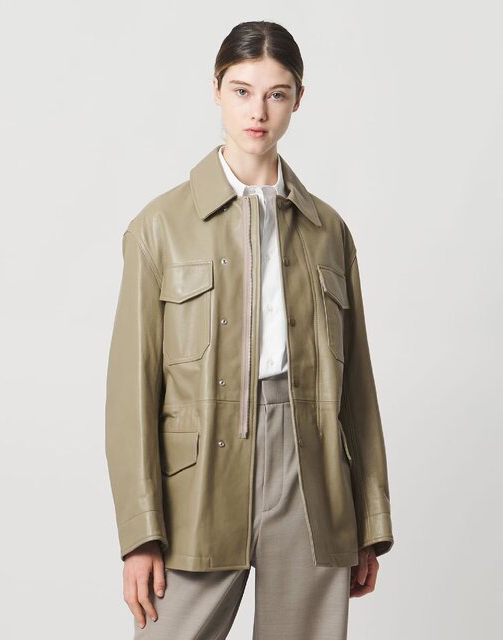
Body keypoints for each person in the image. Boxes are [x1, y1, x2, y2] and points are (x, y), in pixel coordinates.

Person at [105, 20, 394, 640]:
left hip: (313, 475)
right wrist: (139, 533)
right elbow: (130, 395)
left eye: (276, 93)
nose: (258, 111)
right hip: (195, 480)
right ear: (216, 90)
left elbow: (358, 390)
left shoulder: (329, 232)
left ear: (298, 99)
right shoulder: (159, 227)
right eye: (242, 91)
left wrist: (369, 520)